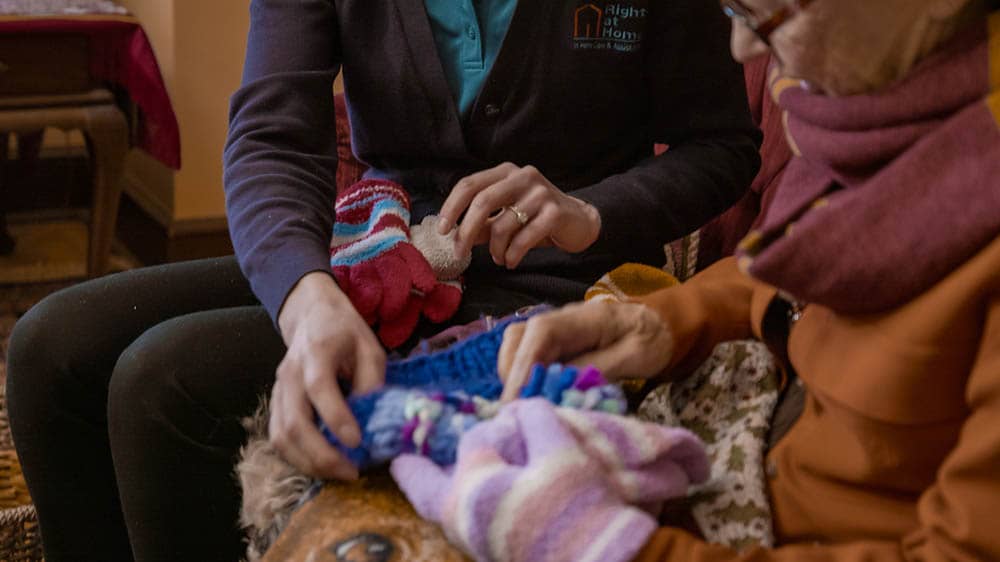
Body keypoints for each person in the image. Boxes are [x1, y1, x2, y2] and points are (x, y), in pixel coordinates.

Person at [3, 0, 761, 560]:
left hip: (554, 290)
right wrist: (307, 299)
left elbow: (722, 144)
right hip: (384, 255)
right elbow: (273, 132)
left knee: (163, 380)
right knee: (50, 349)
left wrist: (588, 212)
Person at [484, 0, 1000, 560]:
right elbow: (803, 263)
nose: (741, 48)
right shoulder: (877, 101)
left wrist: (614, 547)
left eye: (765, 15)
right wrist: (665, 321)